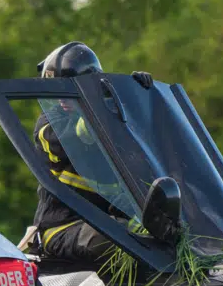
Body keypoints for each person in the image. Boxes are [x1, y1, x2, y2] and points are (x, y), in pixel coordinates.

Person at [27, 41, 154, 269]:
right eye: (56, 92)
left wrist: (140, 96)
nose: (62, 100)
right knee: (122, 240)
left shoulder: (108, 120)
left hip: (108, 222)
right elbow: (77, 137)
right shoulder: (48, 126)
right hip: (61, 229)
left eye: (71, 90)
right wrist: (114, 101)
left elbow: (149, 143)